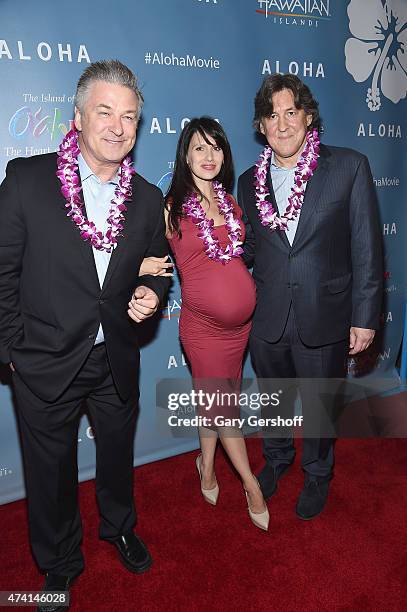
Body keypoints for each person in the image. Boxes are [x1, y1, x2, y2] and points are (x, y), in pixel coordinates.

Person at [0, 60, 170, 610]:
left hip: (115, 356)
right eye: (105, 111)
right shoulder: (27, 180)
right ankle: (60, 561)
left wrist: (150, 291)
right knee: (49, 472)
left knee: (117, 454)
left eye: (129, 117)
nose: (118, 127)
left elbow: (154, 262)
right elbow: (1, 272)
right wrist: (12, 353)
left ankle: (118, 526)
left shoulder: (146, 197)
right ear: (77, 117)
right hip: (44, 359)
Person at [237, 74, 382, 520]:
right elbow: (253, 250)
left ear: (308, 117)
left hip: (327, 312)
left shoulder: (348, 166)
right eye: (271, 115)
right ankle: (278, 459)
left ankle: (318, 473)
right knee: (275, 398)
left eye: (290, 112)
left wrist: (365, 315)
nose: (281, 124)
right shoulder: (247, 181)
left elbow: (367, 246)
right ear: (261, 125)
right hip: (269, 315)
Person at [140, 117, 269, 531]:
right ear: (186, 155)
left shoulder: (230, 203)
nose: (209, 155)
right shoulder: (170, 206)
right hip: (203, 330)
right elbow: (139, 251)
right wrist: (140, 266)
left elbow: (235, 260)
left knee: (214, 405)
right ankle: (251, 485)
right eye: (199, 147)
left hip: (239, 331)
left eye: (216, 147)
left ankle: (206, 466)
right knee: (225, 409)